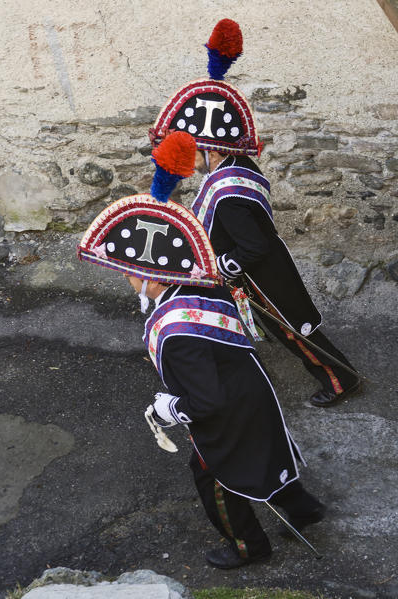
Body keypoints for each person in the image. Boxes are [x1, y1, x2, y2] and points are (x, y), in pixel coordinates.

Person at [78, 131, 325, 569]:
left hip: (228, 404)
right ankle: (304, 510)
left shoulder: (174, 331)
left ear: (151, 275)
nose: (128, 281)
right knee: (263, 452)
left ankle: (249, 546)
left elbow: (204, 401)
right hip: (252, 390)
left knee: (212, 475)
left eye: (131, 274)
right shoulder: (197, 289)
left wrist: (169, 408)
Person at [150, 18, 360, 407]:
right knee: (286, 329)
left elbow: (253, 247)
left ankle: (340, 379)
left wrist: (223, 264)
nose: (191, 157)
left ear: (210, 149)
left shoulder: (228, 192)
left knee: (294, 331)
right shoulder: (236, 167)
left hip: (263, 277)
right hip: (258, 272)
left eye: (195, 150)